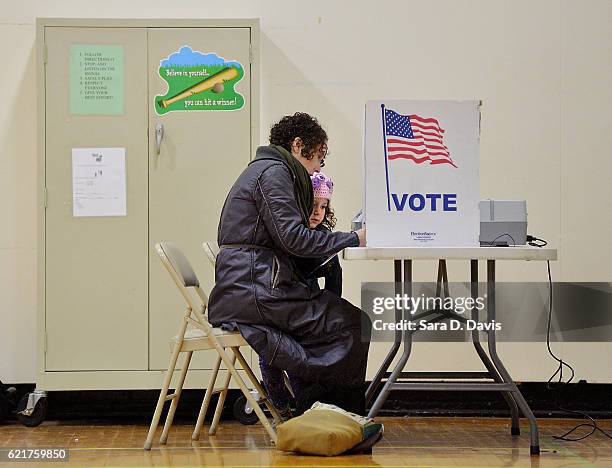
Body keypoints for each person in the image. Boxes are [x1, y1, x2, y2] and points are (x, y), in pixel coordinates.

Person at [208, 112, 371, 415]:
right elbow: (294, 239)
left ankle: (320, 410)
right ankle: (331, 415)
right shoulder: (274, 173)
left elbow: (286, 240)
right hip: (256, 290)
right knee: (351, 323)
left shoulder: (267, 170)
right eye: (319, 157)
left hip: (249, 285)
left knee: (340, 316)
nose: (319, 167)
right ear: (298, 145)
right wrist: (353, 238)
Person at [258, 171, 342, 421]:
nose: (318, 212)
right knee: (273, 355)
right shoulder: (286, 236)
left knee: (309, 350)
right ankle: (283, 409)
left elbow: (334, 277)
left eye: (323, 206)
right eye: (312, 205)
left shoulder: (323, 236)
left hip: (307, 310)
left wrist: (330, 309)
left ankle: (307, 409)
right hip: (278, 309)